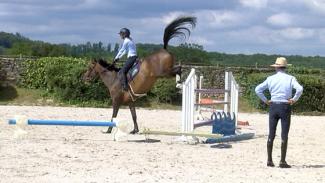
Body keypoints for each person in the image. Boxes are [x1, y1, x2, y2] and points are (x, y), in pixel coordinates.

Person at [255, 57, 303, 168]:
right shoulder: (291, 78)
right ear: (285, 67)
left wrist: (266, 100)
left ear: (276, 67)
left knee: (271, 133)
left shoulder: (270, 78)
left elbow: (258, 89)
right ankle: (282, 161)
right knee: (284, 134)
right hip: (285, 106)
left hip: (273, 106)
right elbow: (300, 89)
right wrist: (294, 99)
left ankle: (269, 160)